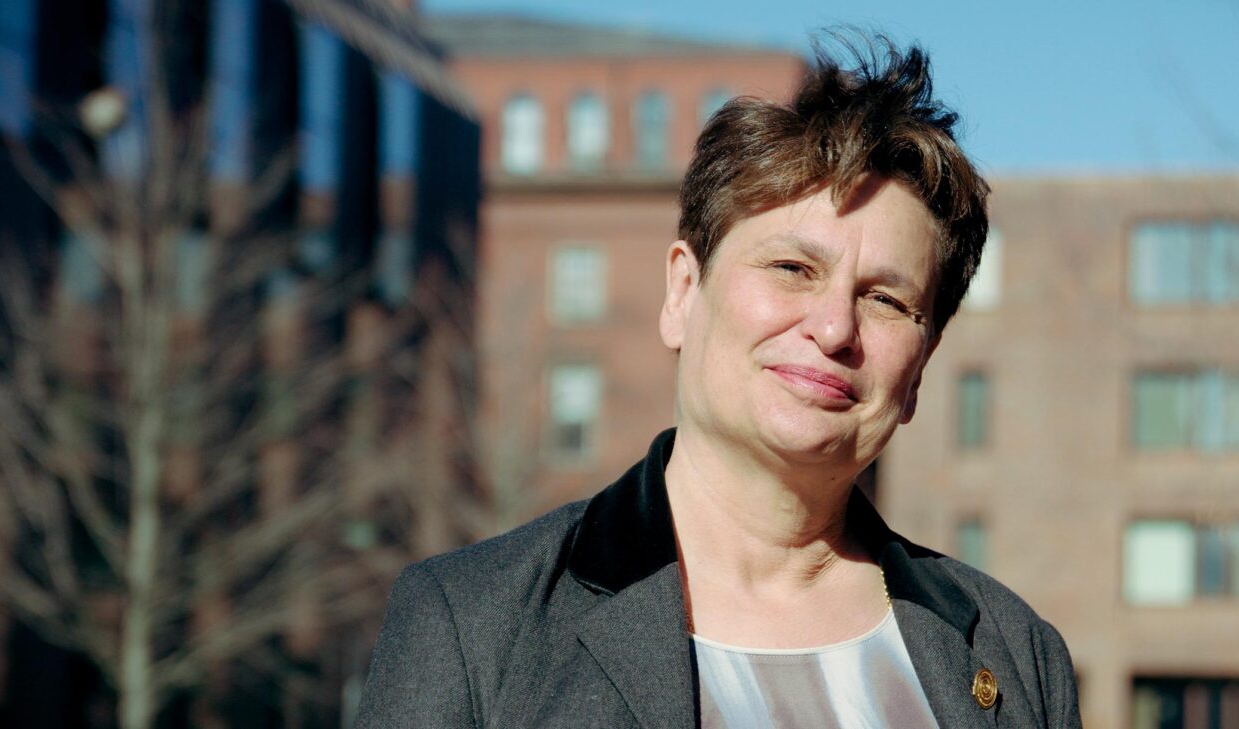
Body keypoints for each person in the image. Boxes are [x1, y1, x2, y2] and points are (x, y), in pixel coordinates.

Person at [355, 34, 1080, 728]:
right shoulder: (474, 624)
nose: (834, 328)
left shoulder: (1014, 653)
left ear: (920, 366)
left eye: (886, 299)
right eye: (792, 268)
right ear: (682, 292)